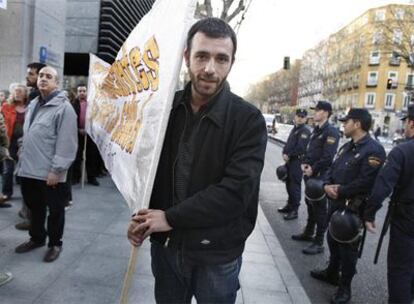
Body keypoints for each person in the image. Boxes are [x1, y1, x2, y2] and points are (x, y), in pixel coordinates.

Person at [127, 17, 267, 303]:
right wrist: (140, 219)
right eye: (202, 56)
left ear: (231, 62)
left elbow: (235, 192)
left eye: (221, 59)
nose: (210, 69)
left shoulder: (248, 120)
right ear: (187, 56)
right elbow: (148, 175)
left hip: (216, 255)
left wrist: (169, 217)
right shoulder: (163, 110)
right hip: (166, 248)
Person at [310, 108, 386, 304]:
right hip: (335, 202)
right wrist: (326, 184)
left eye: (347, 121)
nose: (343, 124)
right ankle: (332, 273)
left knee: (348, 248)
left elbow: (366, 182)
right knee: (332, 238)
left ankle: (345, 288)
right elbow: (332, 169)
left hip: (353, 207)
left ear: (358, 124)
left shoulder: (374, 150)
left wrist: (341, 190)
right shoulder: (347, 147)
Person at [14, 66, 77, 263]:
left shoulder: (64, 108)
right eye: (41, 75)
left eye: (48, 77)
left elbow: (67, 143)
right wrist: (21, 151)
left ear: (57, 83)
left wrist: (56, 171)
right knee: (35, 207)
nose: (43, 78)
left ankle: (55, 243)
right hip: (29, 169)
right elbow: (29, 132)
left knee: (55, 210)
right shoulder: (33, 103)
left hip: (50, 172)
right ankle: (37, 238)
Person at [364, 104, 414, 304]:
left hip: (407, 218)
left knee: (400, 270)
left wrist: (369, 213)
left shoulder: (402, 151)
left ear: (411, 123)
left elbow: (383, 186)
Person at [292, 101, 340, 255]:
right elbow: (310, 151)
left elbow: (328, 157)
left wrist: (313, 168)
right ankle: (308, 232)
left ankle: (319, 242)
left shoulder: (331, 132)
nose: (315, 113)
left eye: (318, 110)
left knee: (320, 209)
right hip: (310, 174)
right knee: (310, 204)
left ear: (326, 113)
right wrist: (305, 163)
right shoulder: (316, 130)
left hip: (320, 176)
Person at [14, 62, 47, 230]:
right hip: (29, 149)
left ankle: (32, 222)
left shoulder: (36, 96)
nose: (28, 76)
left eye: (31, 74)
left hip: (34, 152)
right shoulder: (35, 95)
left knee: (31, 190)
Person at [278, 108, 310, 220]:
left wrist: (289, 155)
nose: (300, 118)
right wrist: (284, 152)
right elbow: (289, 144)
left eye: (302, 117)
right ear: (295, 117)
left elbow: (301, 148)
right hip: (290, 161)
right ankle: (289, 205)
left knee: (294, 186)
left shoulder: (305, 131)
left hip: (297, 161)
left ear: (305, 119)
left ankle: (295, 210)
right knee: (288, 183)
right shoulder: (295, 129)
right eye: (298, 116)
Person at [0, 84, 28, 205]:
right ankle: (7, 192)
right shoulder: (6, 106)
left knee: (24, 168)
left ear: (25, 94)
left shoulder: (30, 106)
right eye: (15, 91)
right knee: (8, 168)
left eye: (20, 91)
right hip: (9, 140)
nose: (17, 93)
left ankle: (26, 193)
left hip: (25, 141)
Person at [71, 85, 100, 186]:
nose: (82, 93)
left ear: (87, 92)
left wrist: (89, 129)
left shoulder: (92, 104)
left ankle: (92, 178)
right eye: (80, 91)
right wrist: (78, 129)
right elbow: (71, 119)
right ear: (77, 92)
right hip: (77, 133)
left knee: (90, 156)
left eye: (84, 91)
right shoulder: (73, 104)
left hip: (89, 134)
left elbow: (96, 118)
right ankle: (76, 177)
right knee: (77, 156)